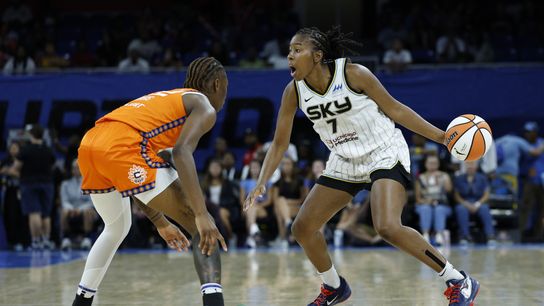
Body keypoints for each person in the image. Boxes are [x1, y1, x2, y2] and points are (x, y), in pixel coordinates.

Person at [244, 26, 479, 306]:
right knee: (302, 228)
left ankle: (458, 280)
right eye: (290, 51)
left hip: (383, 151)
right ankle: (334, 287)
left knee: (388, 226)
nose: (290, 57)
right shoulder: (293, 91)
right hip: (344, 159)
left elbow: (396, 109)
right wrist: (262, 181)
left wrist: (441, 137)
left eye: (297, 50)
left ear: (317, 56)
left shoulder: (354, 74)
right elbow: (279, 143)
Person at [72, 57, 228, 306]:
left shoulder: (168, 101)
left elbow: (133, 176)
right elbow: (181, 153)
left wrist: (159, 221)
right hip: (122, 145)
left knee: (116, 228)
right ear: (218, 85)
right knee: (204, 230)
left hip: (91, 144)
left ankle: (81, 303)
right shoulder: (204, 106)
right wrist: (199, 213)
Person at [14, 125, 56, 250]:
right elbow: (52, 166)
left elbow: (16, 167)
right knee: (46, 214)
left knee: (34, 212)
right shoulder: (48, 149)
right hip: (47, 183)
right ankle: (46, 240)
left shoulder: (26, 150)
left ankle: (36, 241)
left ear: (31, 134)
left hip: (29, 183)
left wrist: (7, 171)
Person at [453, 161, 496, 245]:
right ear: (465, 167)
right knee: (460, 209)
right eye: (468, 165)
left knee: (485, 208)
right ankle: (465, 236)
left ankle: (490, 235)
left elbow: (486, 194)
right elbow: (456, 195)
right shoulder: (459, 178)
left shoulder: (482, 178)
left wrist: (478, 204)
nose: (470, 167)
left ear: (476, 167)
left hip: (478, 202)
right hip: (465, 202)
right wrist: (465, 204)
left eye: (472, 165)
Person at [414, 154, 452, 246]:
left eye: (435, 163)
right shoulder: (420, 178)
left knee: (439, 209)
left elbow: (449, 190)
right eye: (430, 163)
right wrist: (428, 202)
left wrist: (442, 179)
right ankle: (425, 235)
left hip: (442, 204)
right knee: (425, 209)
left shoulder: (444, 175)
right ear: (425, 164)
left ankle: (439, 235)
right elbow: (418, 199)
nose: (432, 165)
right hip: (424, 204)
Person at [60, 159, 96, 250]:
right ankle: (66, 239)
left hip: (85, 210)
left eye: (78, 168)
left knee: (88, 211)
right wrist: (71, 209)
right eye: (74, 168)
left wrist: (79, 210)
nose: (76, 170)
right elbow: (64, 201)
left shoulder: (90, 182)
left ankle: (87, 239)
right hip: (70, 211)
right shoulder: (65, 184)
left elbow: (91, 202)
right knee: (63, 211)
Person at [239, 159, 272, 248]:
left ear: (261, 168)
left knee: (252, 208)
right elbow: (241, 200)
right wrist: (249, 204)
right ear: (249, 169)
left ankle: (251, 236)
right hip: (246, 207)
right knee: (251, 208)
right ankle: (253, 233)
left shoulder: (267, 182)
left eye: (257, 167)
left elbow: (269, 200)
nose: (255, 169)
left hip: (261, 208)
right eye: (252, 167)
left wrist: (257, 205)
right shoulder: (244, 182)